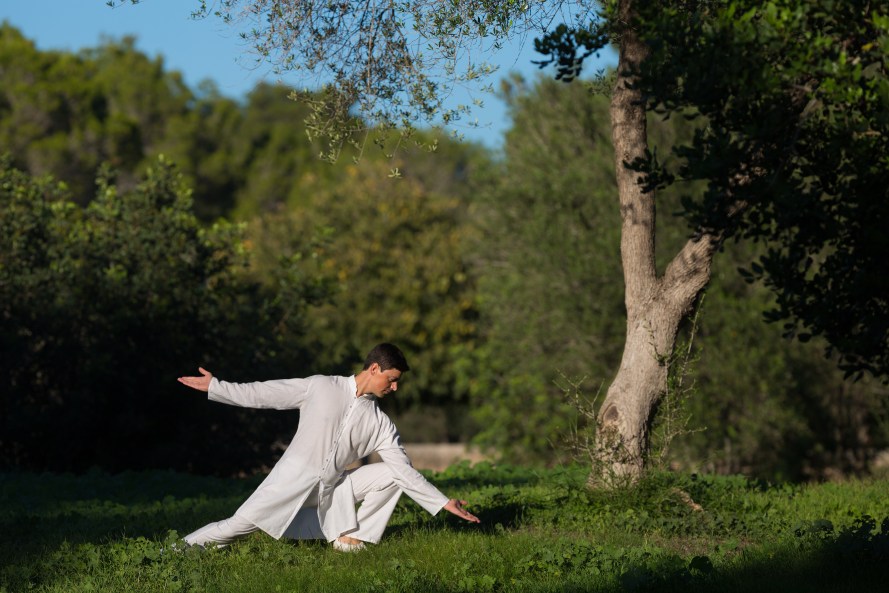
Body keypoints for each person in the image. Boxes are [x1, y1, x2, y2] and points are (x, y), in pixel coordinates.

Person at [176, 343, 480, 551]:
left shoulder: (380, 423)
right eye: (392, 379)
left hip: (331, 490)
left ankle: (351, 541)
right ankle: (174, 550)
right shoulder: (321, 386)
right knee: (235, 528)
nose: (395, 387)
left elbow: (404, 471)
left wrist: (442, 502)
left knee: (391, 473)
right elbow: (266, 394)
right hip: (289, 482)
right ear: (374, 368)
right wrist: (217, 387)